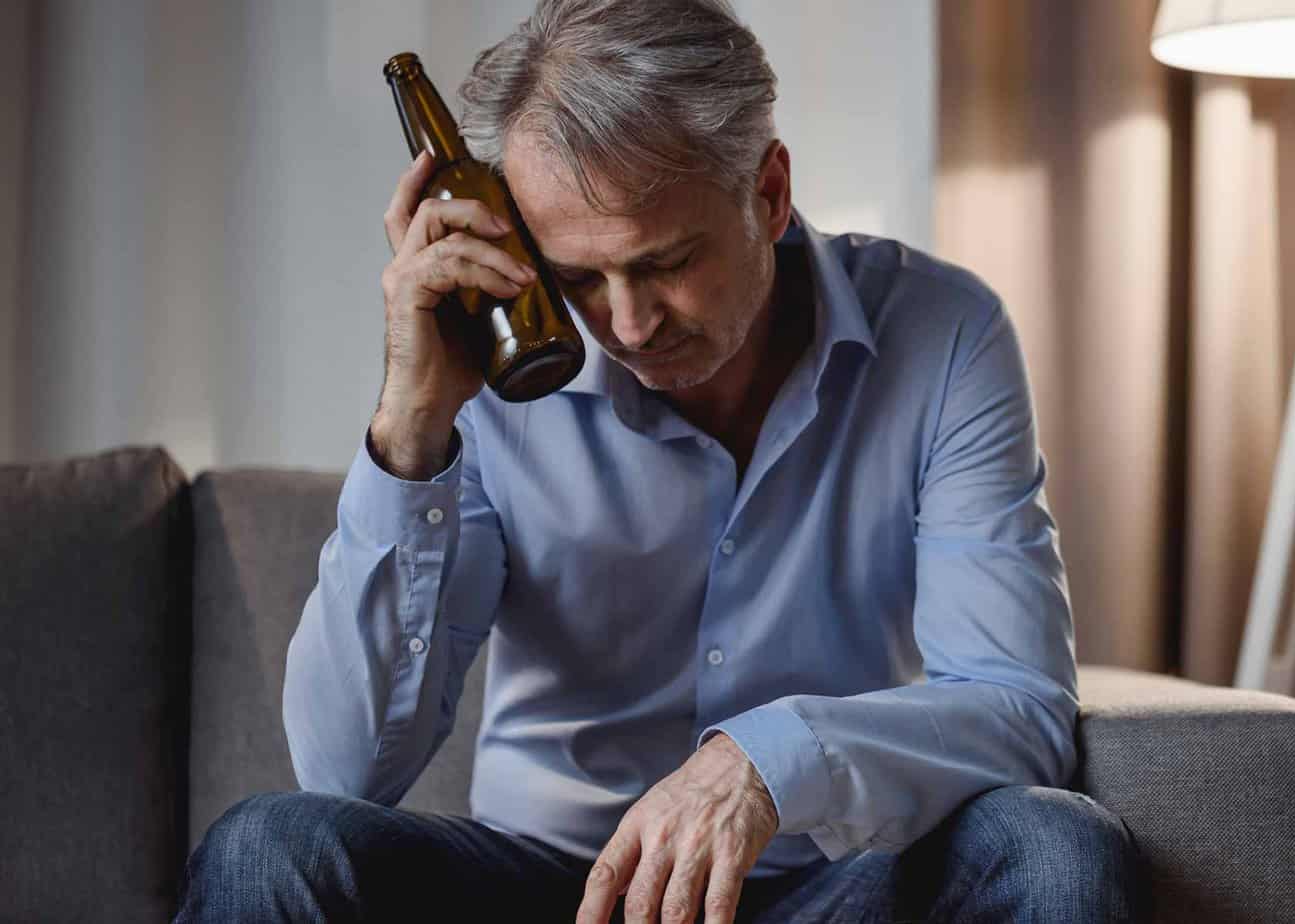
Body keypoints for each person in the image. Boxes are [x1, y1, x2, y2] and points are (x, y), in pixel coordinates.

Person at [175, 0, 1148, 921]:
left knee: (1052, 844)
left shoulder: (944, 333)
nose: (630, 324)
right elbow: (344, 774)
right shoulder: (489, 376)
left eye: (667, 262)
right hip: (547, 889)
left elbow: (1016, 709)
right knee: (271, 845)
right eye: (579, 277)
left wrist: (765, 764)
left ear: (769, 192)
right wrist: (412, 420)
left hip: (828, 886)